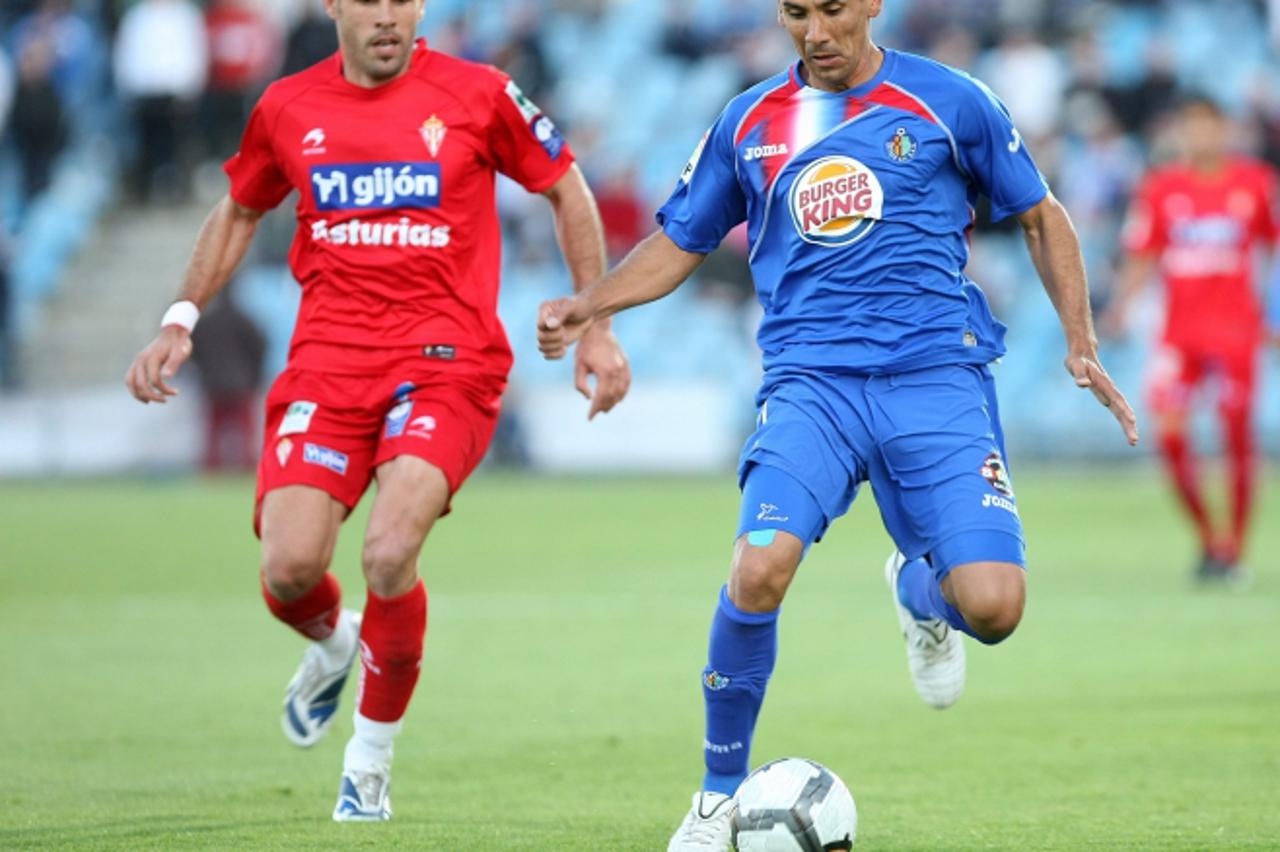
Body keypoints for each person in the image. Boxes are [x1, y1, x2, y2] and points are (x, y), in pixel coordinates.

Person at [535, 2, 1138, 848]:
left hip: (937, 379)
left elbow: (1040, 214)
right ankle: (715, 798)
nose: (814, 30)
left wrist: (1079, 340)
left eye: (831, 9)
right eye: (795, 12)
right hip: (812, 385)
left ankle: (915, 590)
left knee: (995, 609)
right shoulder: (748, 121)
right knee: (758, 571)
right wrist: (588, 306)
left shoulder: (951, 101)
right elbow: (680, 239)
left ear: (870, 7)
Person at [125, 0, 630, 822]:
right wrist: (180, 319)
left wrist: (595, 324)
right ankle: (336, 642)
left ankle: (368, 764)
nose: (387, 15)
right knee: (288, 572)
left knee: (391, 549)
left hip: (446, 365)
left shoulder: (481, 93)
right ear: (333, 5)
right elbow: (241, 208)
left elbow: (566, 187)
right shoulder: (288, 106)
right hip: (327, 368)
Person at [1105, 96, 1278, 583]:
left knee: (1236, 434)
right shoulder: (1161, 189)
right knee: (1172, 433)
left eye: (1209, 126)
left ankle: (1235, 549)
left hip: (1236, 333)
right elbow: (1143, 254)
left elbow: (1272, 249)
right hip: (1179, 335)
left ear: (1225, 130)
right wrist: (1118, 310)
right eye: (1191, 126)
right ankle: (1210, 539)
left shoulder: (1256, 183)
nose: (1200, 136)